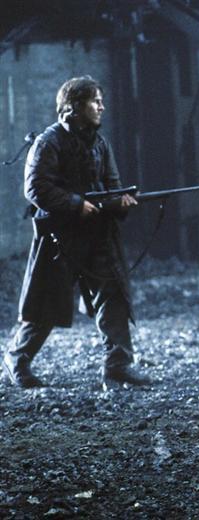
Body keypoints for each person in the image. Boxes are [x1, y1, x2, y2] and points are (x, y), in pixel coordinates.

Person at [3, 76, 151, 388]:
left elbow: (112, 186)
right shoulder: (49, 142)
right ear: (74, 106)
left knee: (114, 295)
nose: (101, 107)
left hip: (99, 234)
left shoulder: (100, 144)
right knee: (47, 300)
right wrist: (75, 204)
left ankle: (118, 365)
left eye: (101, 101)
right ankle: (17, 358)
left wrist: (121, 202)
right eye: (95, 101)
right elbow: (36, 187)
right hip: (61, 237)